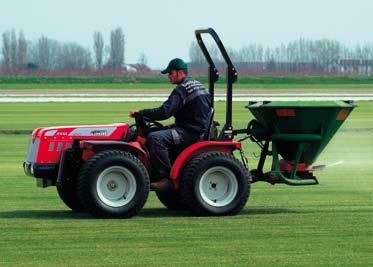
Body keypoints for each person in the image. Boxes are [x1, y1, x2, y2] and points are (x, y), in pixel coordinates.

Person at [129, 58, 212, 190]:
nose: (168, 76)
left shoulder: (182, 89)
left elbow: (164, 112)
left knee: (155, 138)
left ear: (180, 73)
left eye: (170, 73)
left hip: (190, 132)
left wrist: (141, 112)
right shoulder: (199, 85)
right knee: (158, 130)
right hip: (197, 128)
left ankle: (165, 178)